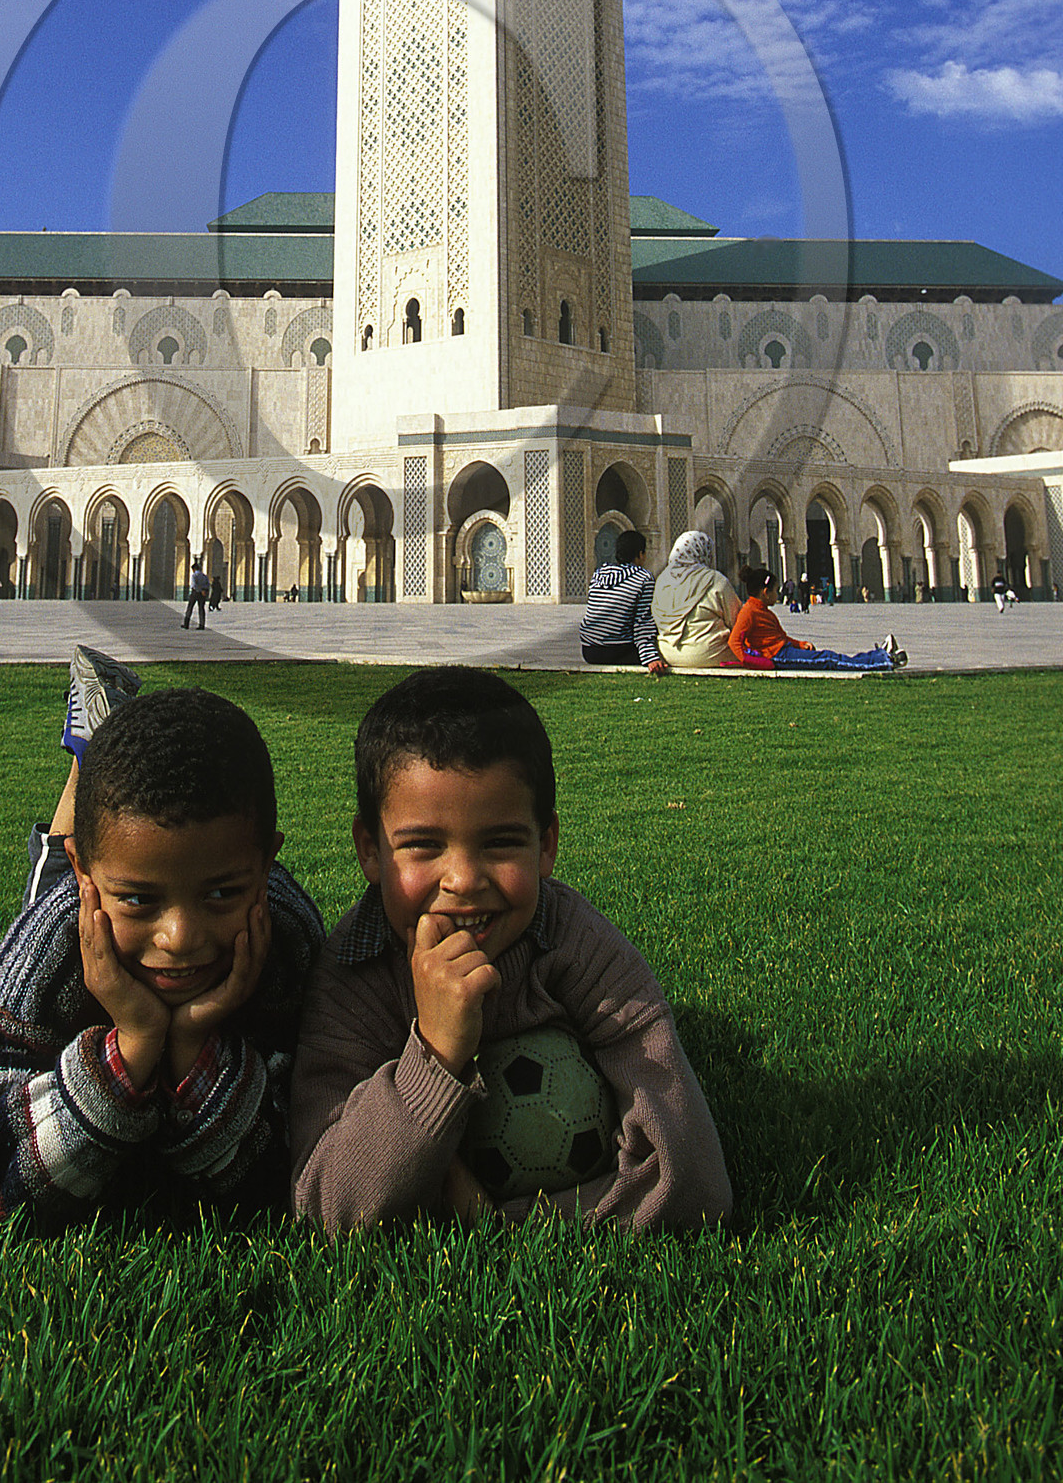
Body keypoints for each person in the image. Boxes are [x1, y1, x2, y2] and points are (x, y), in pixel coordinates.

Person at [290, 667, 732, 1234]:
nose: (464, 879)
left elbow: (693, 1184)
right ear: (370, 850)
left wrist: (495, 1223)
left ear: (545, 845)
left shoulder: (579, 948)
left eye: (500, 843)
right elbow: (329, 1206)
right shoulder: (356, 972)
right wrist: (435, 1051)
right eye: (423, 845)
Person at [0, 658, 324, 1233]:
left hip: (122, 876)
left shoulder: (287, 937)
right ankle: (87, 750)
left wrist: (191, 1044)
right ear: (92, 883)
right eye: (142, 902)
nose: (180, 938)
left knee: (117, 856)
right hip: (76, 893)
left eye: (220, 893)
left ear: (267, 864)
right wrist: (131, 1049)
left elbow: (304, 1166)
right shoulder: (52, 944)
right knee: (57, 866)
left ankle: (99, 746)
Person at [725, 566, 907, 672]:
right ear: (766, 592)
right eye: (775, 589)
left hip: (785, 651)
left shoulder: (762, 610)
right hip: (779, 657)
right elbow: (735, 642)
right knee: (828, 660)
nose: (778, 593)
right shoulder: (749, 612)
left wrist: (799, 644)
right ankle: (883, 661)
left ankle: (879, 655)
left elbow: (779, 638)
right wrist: (762, 663)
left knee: (827, 657)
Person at [649, 529, 741, 669]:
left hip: (668, 654)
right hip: (711, 655)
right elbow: (737, 622)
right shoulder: (715, 580)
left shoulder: (662, 580)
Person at [577, 529, 664, 670]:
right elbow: (643, 623)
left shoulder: (599, 574)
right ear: (640, 554)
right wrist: (650, 658)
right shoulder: (644, 578)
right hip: (617, 650)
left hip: (589, 651)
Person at [184, 560, 210, 631]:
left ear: (194, 569)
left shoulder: (194, 575)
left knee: (190, 608)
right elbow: (208, 584)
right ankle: (202, 625)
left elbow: (194, 585)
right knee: (201, 609)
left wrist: (199, 590)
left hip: (195, 593)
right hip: (202, 594)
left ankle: (186, 624)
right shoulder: (204, 576)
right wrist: (204, 591)